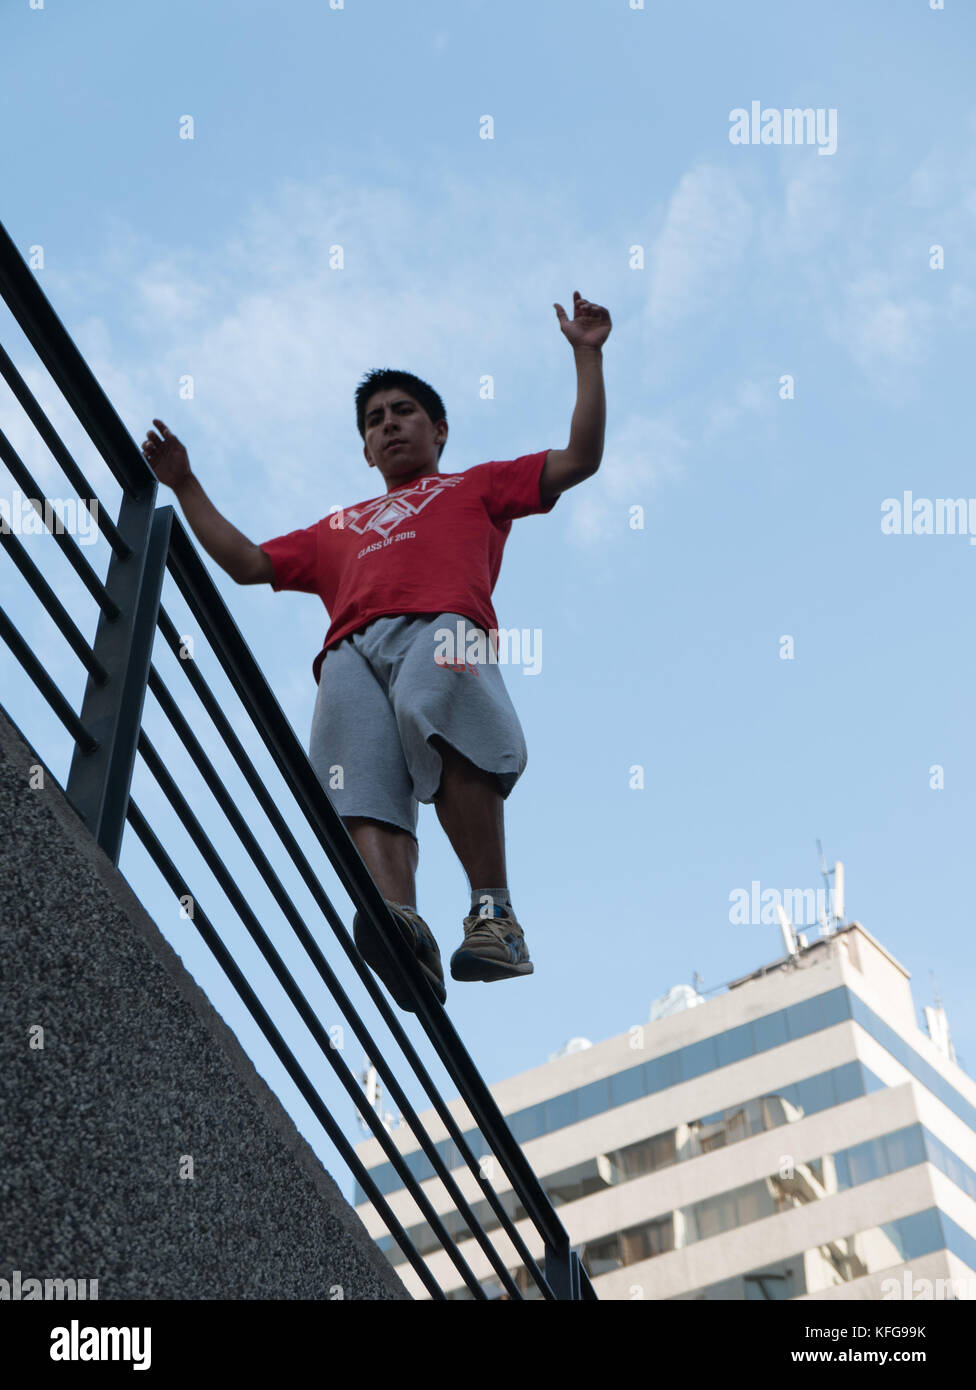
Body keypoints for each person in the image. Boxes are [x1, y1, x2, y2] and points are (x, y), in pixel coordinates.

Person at [142, 290, 611, 1012]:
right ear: (365, 448)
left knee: (436, 698)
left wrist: (586, 354)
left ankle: (496, 917)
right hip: (351, 648)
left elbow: (580, 456)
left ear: (439, 430)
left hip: (445, 625)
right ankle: (404, 929)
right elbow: (245, 562)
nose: (389, 425)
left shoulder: (477, 484)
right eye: (374, 421)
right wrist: (186, 484)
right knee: (351, 765)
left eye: (403, 412)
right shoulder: (336, 527)